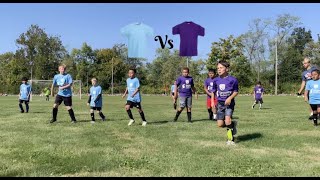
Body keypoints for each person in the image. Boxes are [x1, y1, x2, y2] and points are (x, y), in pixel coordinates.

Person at [211, 60, 238, 145]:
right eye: (218, 68)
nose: (219, 70)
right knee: (220, 124)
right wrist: (212, 102)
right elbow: (213, 92)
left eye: (221, 68)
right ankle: (233, 125)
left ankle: (230, 140)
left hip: (229, 104)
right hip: (220, 104)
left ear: (227, 69)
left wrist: (230, 98)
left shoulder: (233, 80)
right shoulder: (215, 80)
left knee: (227, 121)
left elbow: (236, 91)